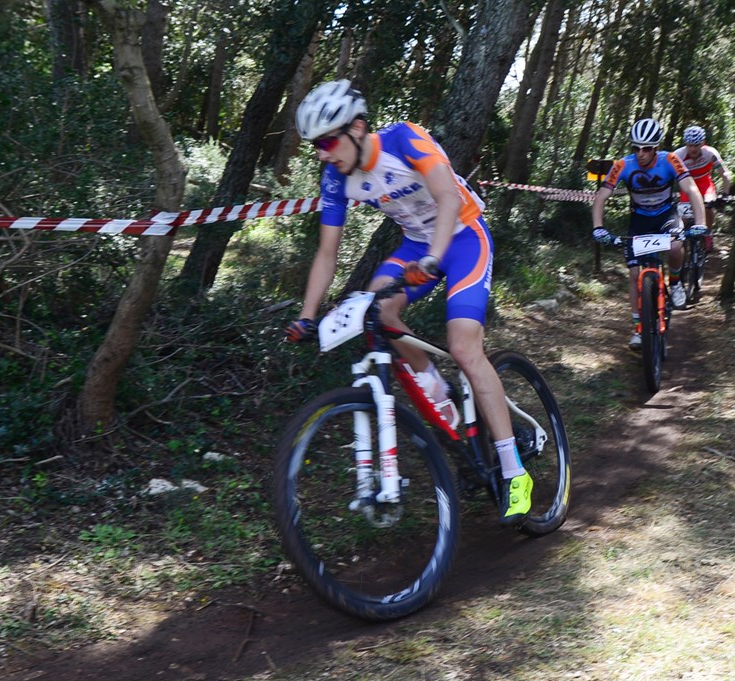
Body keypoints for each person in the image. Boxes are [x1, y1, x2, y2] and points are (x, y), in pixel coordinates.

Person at [283, 79, 532, 527]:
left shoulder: (404, 139)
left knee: (464, 347)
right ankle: (437, 389)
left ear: (358, 128)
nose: (322, 154)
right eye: (315, 146)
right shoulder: (336, 176)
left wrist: (434, 258)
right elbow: (327, 253)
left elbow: (448, 196)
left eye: (327, 142)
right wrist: (306, 315)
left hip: (464, 238)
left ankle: (514, 469)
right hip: (416, 246)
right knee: (376, 310)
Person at [591, 118, 708, 349]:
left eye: (646, 148)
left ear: (656, 147)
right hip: (640, 221)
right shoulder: (623, 165)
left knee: (675, 246)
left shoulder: (670, 160)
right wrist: (598, 227)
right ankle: (638, 328)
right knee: (635, 275)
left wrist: (701, 222)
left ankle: (675, 282)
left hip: (666, 216)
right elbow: (601, 196)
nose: (641, 154)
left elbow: (691, 189)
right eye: (636, 148)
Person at [673, 125, 733, 248]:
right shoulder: (678, 155)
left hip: (705, 184)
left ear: (703, 143)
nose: (693, 149)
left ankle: (708, 233)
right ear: (685, 144)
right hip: (688, 186)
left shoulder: (710, 153)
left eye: (696, 145)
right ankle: (682, 245)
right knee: (683, 219)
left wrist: (725, 195)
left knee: (708, 206)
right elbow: (668, 175)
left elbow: (725, 174)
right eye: (690, 145)